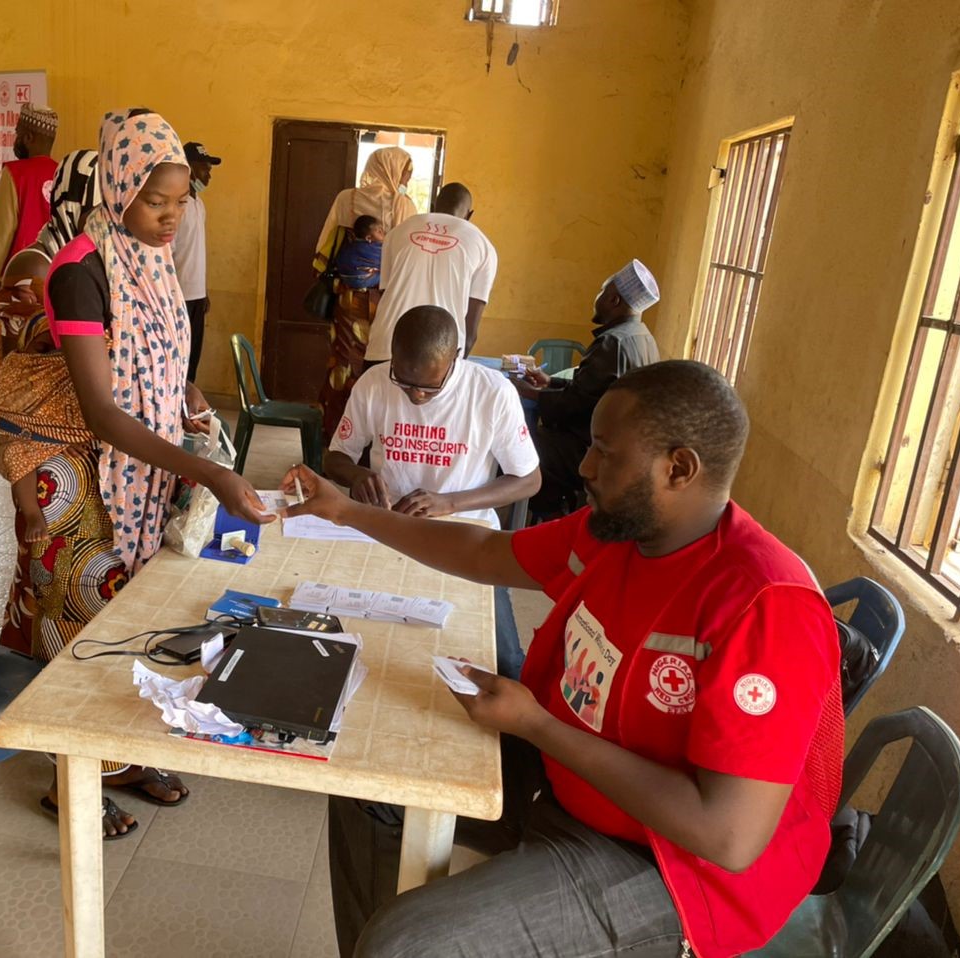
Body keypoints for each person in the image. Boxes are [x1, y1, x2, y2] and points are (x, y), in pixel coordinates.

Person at [282, 360, 844, 958]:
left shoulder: (764, 605)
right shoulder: (619, 534)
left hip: (674, 871)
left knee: (407, 946)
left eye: (605, 451)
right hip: (570, 777)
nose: (584, 467)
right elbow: (485, 551)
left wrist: (535, 725)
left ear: (678, 468)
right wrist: (347, 512)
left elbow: (726, 836)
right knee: (370, 784)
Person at [37, 108, 275, 836]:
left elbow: (160, 366)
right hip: (85, 480)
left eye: (181, 202)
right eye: (154, 200)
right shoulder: (80, 271)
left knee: (138, 619)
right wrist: (207, 477)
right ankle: (69, 782)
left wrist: (189, 399)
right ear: (117, 186)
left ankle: (127, 756)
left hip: (146, 466)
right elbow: (105, 413)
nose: (171, 217)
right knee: (87, 623)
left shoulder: (150, 258)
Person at [326, 305, 539, 679]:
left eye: (429, 387)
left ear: (456, 358)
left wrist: (450, 502)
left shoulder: (492, 393)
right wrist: (357, 475)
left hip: (469, 537)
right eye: (404, 382)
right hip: (388, 529)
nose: (416, 397)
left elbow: (528, 480)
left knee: (503, 659)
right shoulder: (374, 383)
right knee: (351, 636)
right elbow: (335, 458)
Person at [0, 149, 100, 549]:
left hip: (74, 427)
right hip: (33, 417)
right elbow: (23, 340)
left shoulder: (99, 262)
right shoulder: (37, 262)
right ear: (72, 205)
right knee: (48, 548)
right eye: (96, 210)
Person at [517, 259, 661, 517]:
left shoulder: (611, 343)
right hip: (625, 445)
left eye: (602, 292)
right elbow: (594, 390)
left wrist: (533, 394)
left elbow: (576, 405)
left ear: (614, 300)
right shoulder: (642, 337)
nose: (597, 298)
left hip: (599, 448)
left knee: (523, 444)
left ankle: (548, 518)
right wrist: (551, 382)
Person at [315, 147, 418, 440]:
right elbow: (408, 255)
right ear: (395, 171)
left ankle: (335, 433)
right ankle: (369, 439)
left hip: (348, 299)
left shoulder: (347, 199)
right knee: (382, 366)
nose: (407, 180)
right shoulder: (403, 205)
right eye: (406, 174)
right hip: (386, 299)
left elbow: (325, 245)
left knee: (344, 363)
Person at [363, 182, 497, 367]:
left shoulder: (398, 232)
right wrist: (455, 369)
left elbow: (386, 293)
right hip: (439, 358)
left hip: (386, 345)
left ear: (433, 207)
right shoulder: (484, 246)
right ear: (469, 215)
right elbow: (471, 331)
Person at [0, 102, 60, 286]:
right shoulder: (62, 173)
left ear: (28, 137)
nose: (15, 139)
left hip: (16, 279)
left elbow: (0, 237)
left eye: (18, 133)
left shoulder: (15, 174)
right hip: (52, 280)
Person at [171, 141, 221, 381]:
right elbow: (167, 255)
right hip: (178, 297)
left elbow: (195, 252)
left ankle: (187, 412)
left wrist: (204, 291)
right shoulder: (176, 207)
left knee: (192, 360)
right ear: (188, 169)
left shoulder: (199, 205)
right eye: (204, 168)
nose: (208, 174)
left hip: (197, 296)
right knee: (177, 360)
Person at [332, 215, 384, 289]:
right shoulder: (374, 249)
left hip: (342, 274)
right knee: (387, 274)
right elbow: (384, 264)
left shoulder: (354, 243)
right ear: (368, 238)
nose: (383, 233)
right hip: (357, 279)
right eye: (379, 231)